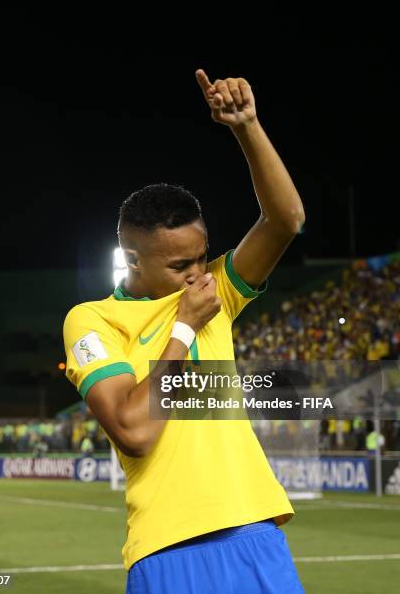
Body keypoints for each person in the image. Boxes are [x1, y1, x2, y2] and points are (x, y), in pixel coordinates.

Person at [63, 69, 306, 593]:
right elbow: (135, 432)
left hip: (254, 533)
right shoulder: (94, 319)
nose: (198, 274)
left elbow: (285, 220)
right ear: (132, 258)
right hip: (168, 549)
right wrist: (184, 331)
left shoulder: (214, 288)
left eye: (201, 257)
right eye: (179, 266)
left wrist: (247, 127)